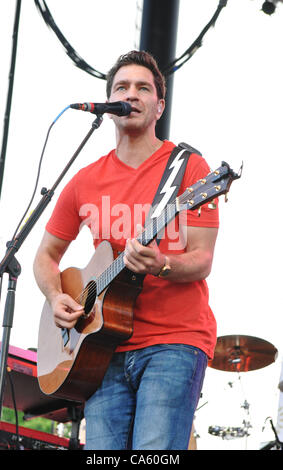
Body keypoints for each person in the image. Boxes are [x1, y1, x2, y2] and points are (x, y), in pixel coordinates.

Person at [33, 50, 219, 450]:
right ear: (110, 104)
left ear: (159, 106)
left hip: (174, 339)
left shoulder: (191, 170)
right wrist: (56, 295)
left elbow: (202, 260)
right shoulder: (84, 180)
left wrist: (162, 263)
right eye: (122, 87)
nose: (131, 94)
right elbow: (46, 256)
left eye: (142, 88)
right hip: (100, 349)